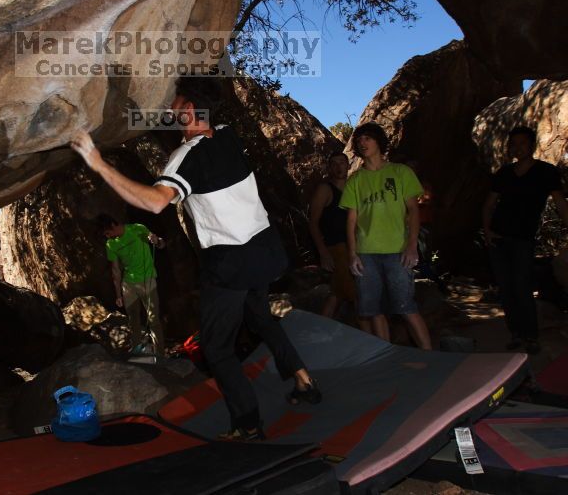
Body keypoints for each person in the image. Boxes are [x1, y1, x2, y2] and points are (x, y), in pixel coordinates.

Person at [71, 75, 320, 442]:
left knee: (217, 348)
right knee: (261, 317)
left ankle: (248, 425)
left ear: (189, 110)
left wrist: (98, 163)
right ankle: (304, 380)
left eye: (175, 102)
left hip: (231, 261)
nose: (170, 108)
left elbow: (156, 201)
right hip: (266, 251)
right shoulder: (228, 134)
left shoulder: (185, 157)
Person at [339, 122, 432, 350]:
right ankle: (386, 357)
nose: (362, 143)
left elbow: (413, 211)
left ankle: (431, 356)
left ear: (379, 142)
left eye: (367, 138)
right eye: (359, 141)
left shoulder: (400, 172)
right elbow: (351, 221)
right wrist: (352, 255)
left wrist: (412, 246)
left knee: (406, 307)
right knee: (373, 310)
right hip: (366, 254)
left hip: (397, 251)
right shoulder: (356, 180)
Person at [482, 126, 568, 355]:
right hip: (498, 239)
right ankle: (516, 334)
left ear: (532, 145)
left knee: (522, 288)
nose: (518, 147)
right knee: (506, 289)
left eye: (522, 143)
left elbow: (560, 203)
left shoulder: (546, 172)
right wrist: (487, 231)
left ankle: (531, 336)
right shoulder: (504, 173)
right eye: (514, 144)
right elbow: (490, 205)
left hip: (523, 239)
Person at [308, 153, 368, 331]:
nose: (338, 167)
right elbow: (313, 223)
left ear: (349, 165)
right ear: (329, 168)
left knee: (337, 293)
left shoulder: (353, 188)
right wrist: (323, 252)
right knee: (356, 293)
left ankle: (320, 331)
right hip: (337, 247)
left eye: (342, 163)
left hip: (355, 246)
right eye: (333, 163)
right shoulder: (325, 190)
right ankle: (368, 337)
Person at [97, 214, 166, 356]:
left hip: (147, 281)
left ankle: (160, 354)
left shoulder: (137, 229)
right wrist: (118, 295)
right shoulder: (111, 244)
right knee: (133, 320)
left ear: (113, 225)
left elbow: (161, 244)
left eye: (107, 232)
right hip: (128, 285)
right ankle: (137, 353)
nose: (107, 236)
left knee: (153, 319)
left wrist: (157, 241)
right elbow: (116, 270)